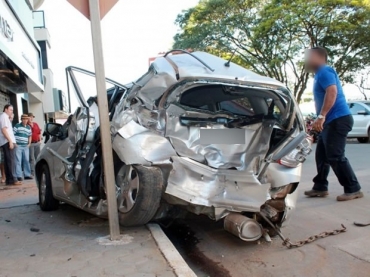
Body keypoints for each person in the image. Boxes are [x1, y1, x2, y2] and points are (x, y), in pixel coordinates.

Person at [304, 46, 363, 201]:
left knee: (335, 155)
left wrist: (322, 116)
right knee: (321, 155)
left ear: (319, 57)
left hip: (338, 119)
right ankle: (320, 187)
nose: (306, 60)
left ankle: (353, 188)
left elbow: (332, 92)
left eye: (309, 56)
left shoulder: (325, 71)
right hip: (331, 120)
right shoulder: (318, 74)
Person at [0, 105, 21, 186]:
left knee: (8, 161)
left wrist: (11, 119)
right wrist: (10, 141)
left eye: (12, 110)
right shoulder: (4, 117)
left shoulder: (4, 117)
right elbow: (4, 130)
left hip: (6, 141)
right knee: (11, 161)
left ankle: (9, 179)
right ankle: (12, 179)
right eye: (10, 110)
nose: (11, 111)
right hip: (7, 141)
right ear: (5, 109)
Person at [13, 114, 32, 181]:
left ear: (27, 120)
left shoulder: (28, 127)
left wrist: (29, 143)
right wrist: (14, 143)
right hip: (18, 145)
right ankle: (19, 175)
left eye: (26, 119)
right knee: (18, 160)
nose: (25, 120)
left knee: (26, 160)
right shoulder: (17, 126)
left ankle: (27, 175)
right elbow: (13, 134)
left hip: (25, 145)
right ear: (21, 119)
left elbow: (30, 135)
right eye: (23, 119)